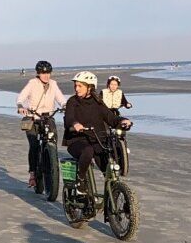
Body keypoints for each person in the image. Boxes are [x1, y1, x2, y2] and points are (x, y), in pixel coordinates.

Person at [63, 72, 129, 194]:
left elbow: (110, 118)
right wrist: (75, 124)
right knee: (88, 151)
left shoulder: (97, 102)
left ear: (90, 87)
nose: (76, 89)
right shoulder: (72, 101)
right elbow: (68, 118)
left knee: (109, 165)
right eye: (75, 86)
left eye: (80, 86)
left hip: (97, 140)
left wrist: (123, 121)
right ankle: (80, 180)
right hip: (77, 140)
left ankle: (113, 198)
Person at [15, 60, 66, 189]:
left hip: (48, 117)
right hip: (33, 117)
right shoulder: (32, 83)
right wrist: (21, 106)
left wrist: (65, 105)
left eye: (48, 73)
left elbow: (60, 98)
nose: (46, 75)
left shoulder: (53, 84)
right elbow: (21, 97)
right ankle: (32, 173)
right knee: (34, 145)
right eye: (43, 73)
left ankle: (51, 160)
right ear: (38, 73)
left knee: (52, 141)